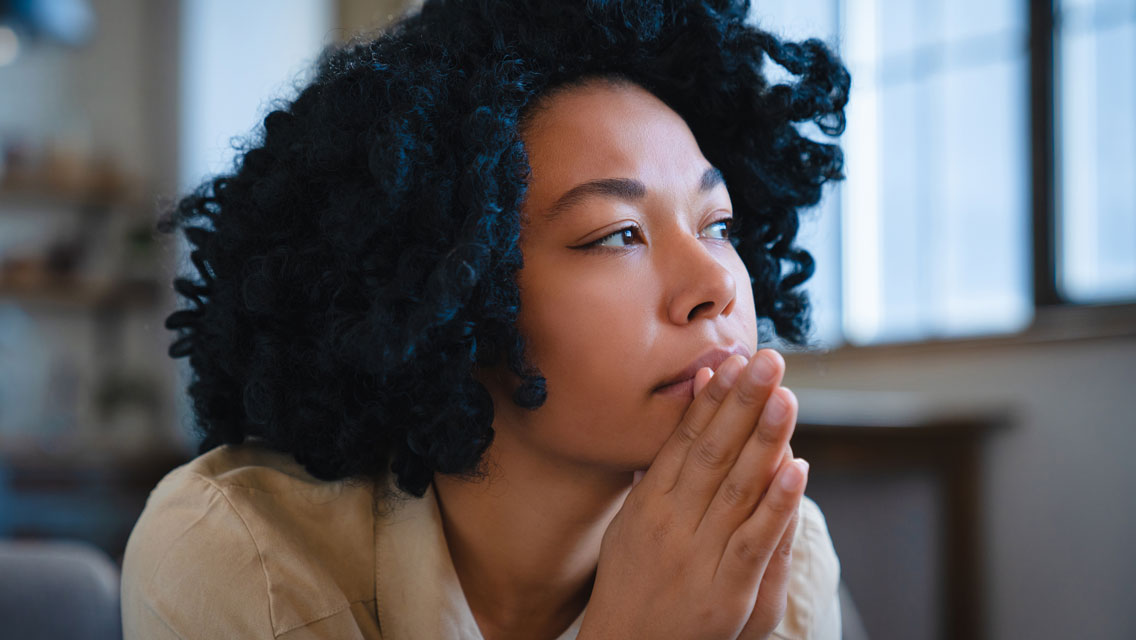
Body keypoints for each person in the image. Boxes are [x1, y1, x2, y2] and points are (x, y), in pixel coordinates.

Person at [121, 1, 851, 638]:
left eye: (718, 225)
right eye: (618, 234)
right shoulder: (238, 555)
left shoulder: (779, 557)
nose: (714, 287)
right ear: (450, 292)